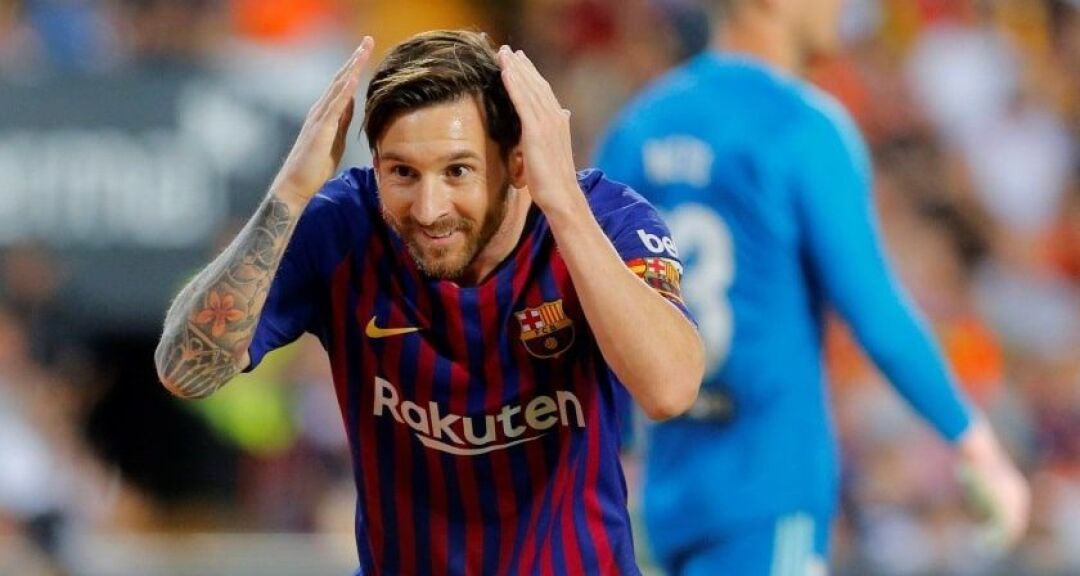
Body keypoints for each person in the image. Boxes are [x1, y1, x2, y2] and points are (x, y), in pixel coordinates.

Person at [154, 30, 704, 575]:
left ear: (518, 162)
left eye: (457, 171)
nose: (428, 208)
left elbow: (670, 390)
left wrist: (562, 201)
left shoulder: (604, 221)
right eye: (402, 173)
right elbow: (184, 369)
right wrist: (291, 192)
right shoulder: (344, 227)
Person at [595, 1, 1030, 574]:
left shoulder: (638, 127)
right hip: (766, 489)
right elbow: (876, 313)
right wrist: (973, 441)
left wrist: (615, 450)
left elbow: (598, 307)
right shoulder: (802, 126)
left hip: (664, 494)